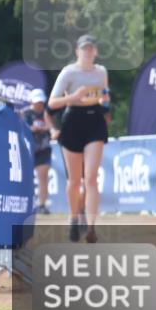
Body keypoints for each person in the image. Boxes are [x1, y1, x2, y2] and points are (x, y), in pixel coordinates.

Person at [48, 34, 110, 243]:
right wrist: (73, 98)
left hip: (94, 122)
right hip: (72, 121)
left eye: (90, 48)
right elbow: (53, 102)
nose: (87, 52)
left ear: (96, 52)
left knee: (91, 177)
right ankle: (74, 217)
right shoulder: (69, 73)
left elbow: (104, 96)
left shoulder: (101, 72)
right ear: (77, 52)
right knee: (74, 180)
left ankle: (91, 226)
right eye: (83, 49)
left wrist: (105, 101)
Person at [21, 89, 54, 214]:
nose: (39, 105)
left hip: (43, 149)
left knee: (43, 178)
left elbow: (53, 129)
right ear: (32, 102)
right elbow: (20, 129)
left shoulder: (47, 114)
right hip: (27, 150)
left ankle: (42, 205)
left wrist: (45, 128)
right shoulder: (24, 113)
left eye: (41, 102)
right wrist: (31, 129)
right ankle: (26, 205)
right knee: (25, 179)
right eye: (36, 102)